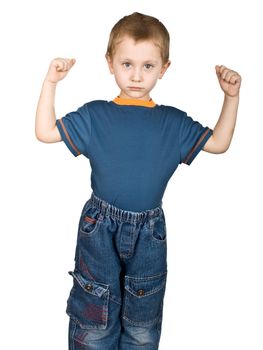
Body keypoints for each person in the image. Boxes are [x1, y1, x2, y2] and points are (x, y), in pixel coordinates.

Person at [35, 11, 241, 350]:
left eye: (148, 66)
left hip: (150, 231)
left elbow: (219, 143)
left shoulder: (172, 122)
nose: (136, 75)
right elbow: (45, 132)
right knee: (95, 314)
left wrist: (230, 97)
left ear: (164, 68)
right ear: (110, 63)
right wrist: (50, 83)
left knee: (142, 322)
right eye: (127, 63)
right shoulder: (95, 114)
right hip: (98, 227)